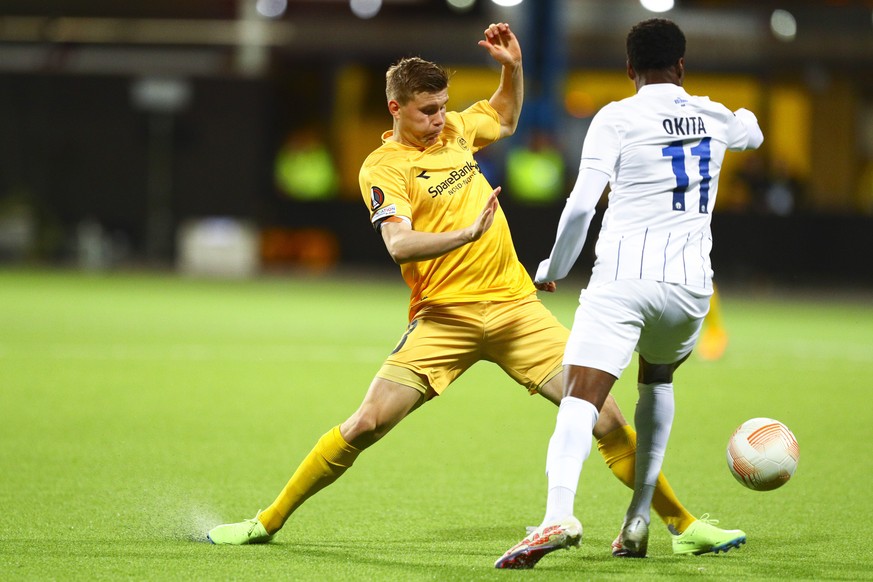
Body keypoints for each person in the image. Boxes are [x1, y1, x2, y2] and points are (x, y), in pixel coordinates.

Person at [206, 23, 746, 558]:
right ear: (395, 108)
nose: (440, 119)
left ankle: (684, 527)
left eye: (443, 106)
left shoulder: (456, 132)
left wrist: (512, 68)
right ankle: (265, 522)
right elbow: (397, 243)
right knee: (366, 423)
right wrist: (464, 234)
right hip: (445, 319)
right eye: (427, 110)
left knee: (605, 418)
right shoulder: (384, 167)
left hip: (516, 310)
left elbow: (506, 115)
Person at [496, 18, 763, 568]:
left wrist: (554, 265)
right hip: (690, 291)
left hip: (624, 280)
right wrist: (739, 116)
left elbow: (579, 206)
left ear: (628, 68)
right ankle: (639, 519)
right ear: (682, 65)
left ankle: (557, 514)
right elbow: (752, 131)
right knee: (657, 380)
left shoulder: (616, 117)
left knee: (579, 397)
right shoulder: (713, 115)